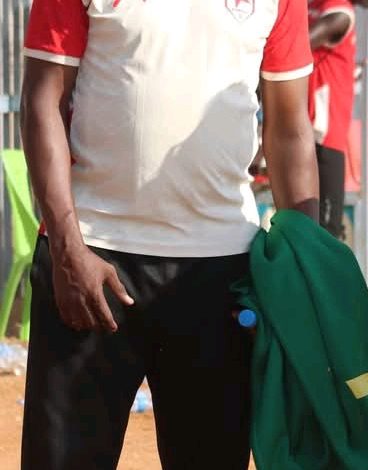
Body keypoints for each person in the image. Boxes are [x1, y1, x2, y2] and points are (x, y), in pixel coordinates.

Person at [20, 1, 317, 469]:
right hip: (90, 260)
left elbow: (289, 128)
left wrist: (305, 261)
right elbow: (43, 100)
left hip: (222, 275)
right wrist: (67, 249)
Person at [308, 0, 368, 238]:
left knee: (315, 228)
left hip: (314, 130)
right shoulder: (340, 13)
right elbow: (296, 47)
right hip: (324, 134)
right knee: (327, 232)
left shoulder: (314, 6)